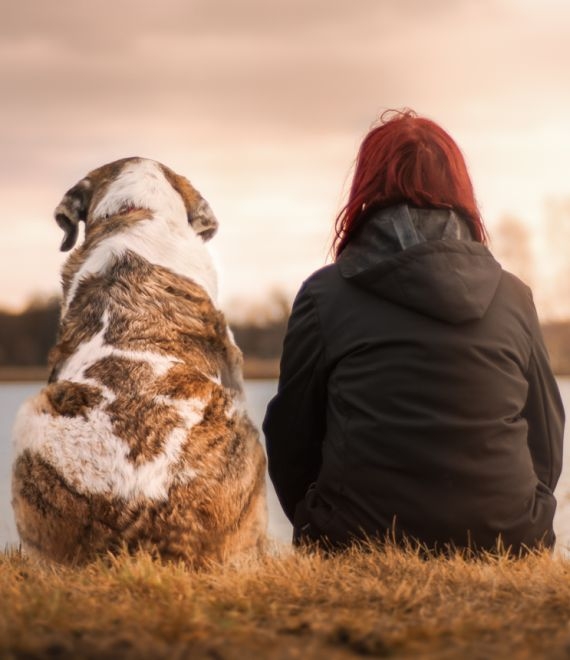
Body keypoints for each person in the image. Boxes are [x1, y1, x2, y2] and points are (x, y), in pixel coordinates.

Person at [262, 109, 565, 555]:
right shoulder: (513, 297)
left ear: (366, 189)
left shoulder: (325, 296)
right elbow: (547, 437)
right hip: (508, 538)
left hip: (356, 538)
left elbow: (290, 437)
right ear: (460, 190)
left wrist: (318, 521)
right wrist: (521, 514)